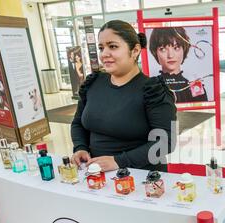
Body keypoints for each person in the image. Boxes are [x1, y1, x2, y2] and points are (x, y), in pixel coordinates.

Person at [71, 20, 177, 172]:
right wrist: (80, 147)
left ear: (134, 51)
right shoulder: (93, 83)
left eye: (113, 46)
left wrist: (119, 161)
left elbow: (166, 141)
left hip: (142, 175)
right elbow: (78, 123)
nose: (104, 54)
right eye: (101, 47)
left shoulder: (153, 90)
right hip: (95, 173)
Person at [149, 27, 208, 103]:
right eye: (163, 49)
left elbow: (202, 112)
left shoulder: (194, 86)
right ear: (155, 52)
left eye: (176, 48)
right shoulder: (152, 87)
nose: (170, 55)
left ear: (184, 49)